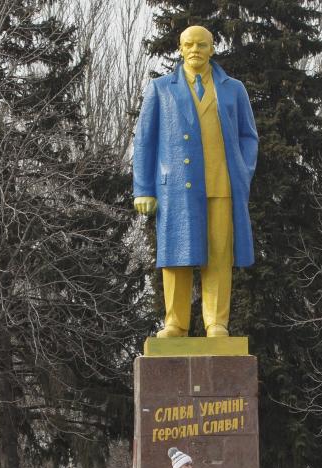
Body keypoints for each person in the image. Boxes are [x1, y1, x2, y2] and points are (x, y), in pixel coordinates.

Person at [132, 25, 259, 339]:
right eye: (189, 44)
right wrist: (144, 189)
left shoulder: (233, 89)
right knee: (176, 255)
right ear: (180, 47)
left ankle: (216, 322)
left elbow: (248, 136)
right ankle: (175, 323)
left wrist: (242, 171)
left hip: (222, 185)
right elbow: (144, 142)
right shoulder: (160, 89)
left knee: (219, 255)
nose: (195, 50)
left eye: (202, 44)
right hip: (175, 189)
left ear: (212, 48)